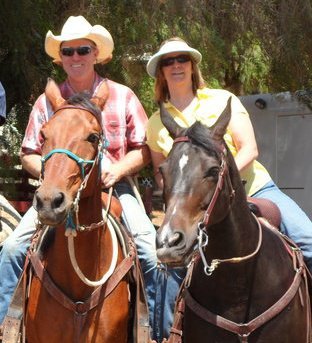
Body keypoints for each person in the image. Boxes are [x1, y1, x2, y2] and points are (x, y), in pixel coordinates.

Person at [0, 16, 183, 342]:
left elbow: (143, 149)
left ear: (95, 53)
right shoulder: (47, 102)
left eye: (82, 49)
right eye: (68, 51)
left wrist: (118, 169)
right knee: (13, 248)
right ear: (61, 58)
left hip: (114, 186)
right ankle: (7, 327)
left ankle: (158, 333)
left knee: (151, 253)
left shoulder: (123, 96)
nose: (75, 57)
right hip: (59, 186)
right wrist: (50, 173)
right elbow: (28, 152)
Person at [145, 37, 312, 276]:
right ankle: (170, 315)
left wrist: (216, 184)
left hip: (255, 188)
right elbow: (162, 173)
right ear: (161, 71)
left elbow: (249, 149)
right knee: (165, 264)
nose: (176, 65)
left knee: (309, 241)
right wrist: (178, 205)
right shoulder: (154, 123)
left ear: (192, 66)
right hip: (191, 207)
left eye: (183, 58)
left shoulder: (223, 99)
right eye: (168, 61)